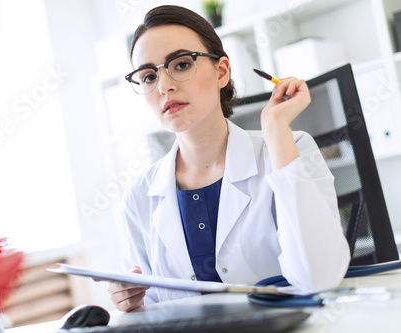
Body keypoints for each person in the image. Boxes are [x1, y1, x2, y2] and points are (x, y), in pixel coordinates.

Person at [107, 5, 351, 312]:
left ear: (221, 71)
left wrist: (277, 130)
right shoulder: (140, 197)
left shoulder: (292, 147)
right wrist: (130, 300)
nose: (164, 86)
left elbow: (319, 278)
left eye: (181, 65)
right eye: (148, 76)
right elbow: (154, 309)